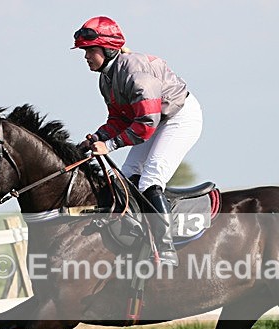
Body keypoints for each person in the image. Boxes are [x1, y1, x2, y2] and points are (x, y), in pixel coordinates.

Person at [73, 16, 203, 267]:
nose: (86, 56)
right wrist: (98, 137)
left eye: (89, 50)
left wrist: (109, 146)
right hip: (154, 119)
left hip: (179, 117)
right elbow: (119, 119)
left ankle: (166, 250)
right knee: (128, 176)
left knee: (151, 179)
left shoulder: (135, 73)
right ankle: (139, 238)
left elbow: (145, 124)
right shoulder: (106, 79)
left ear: (108, 48)